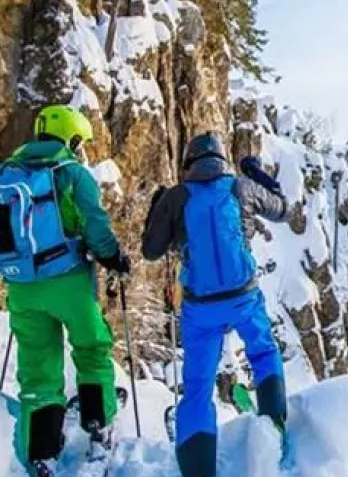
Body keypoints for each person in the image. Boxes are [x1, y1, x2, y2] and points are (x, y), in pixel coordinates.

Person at [0, 105, 130, 477]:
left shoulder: (5, 173)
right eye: (80, 141)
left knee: (38, 370)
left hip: (22, 286)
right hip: (69, 280)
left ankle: (41, 452)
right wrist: (115, 259)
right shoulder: (72, 173)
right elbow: (95, 225)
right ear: (71, 137)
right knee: (91, 349)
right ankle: (99, 425)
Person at [141, 132, 298, 477]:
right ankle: (277, 436)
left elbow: (151, 250)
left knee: (197, 388)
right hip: (243, 296)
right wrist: (258, 175)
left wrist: (159, 205)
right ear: (223, 159)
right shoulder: (241, 187)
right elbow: (286, 210)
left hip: (200, 308)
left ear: (188, 164)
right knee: (263, 352)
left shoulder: (177, 197)